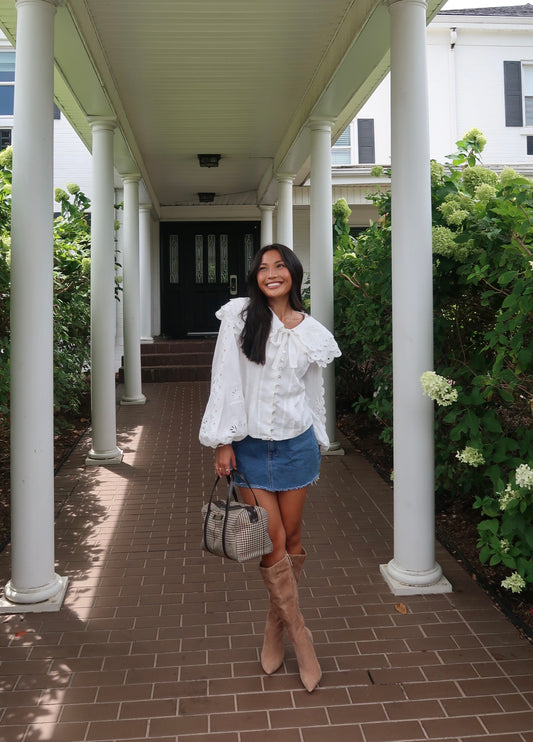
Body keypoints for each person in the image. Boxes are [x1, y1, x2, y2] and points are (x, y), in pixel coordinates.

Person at [199, 243, 340, 692]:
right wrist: (223, 440)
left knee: (293, 540)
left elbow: (312, 392)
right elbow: (225, 378)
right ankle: (302, 636)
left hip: (297, 447)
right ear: (255, 278)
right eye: (263, 268)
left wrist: (318, 439)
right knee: (272, 539)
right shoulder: (240, 318)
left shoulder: (312, 331)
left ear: (295, 274)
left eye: (281, 266)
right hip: (251, 450)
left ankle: (274, 625)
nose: (272, 273)